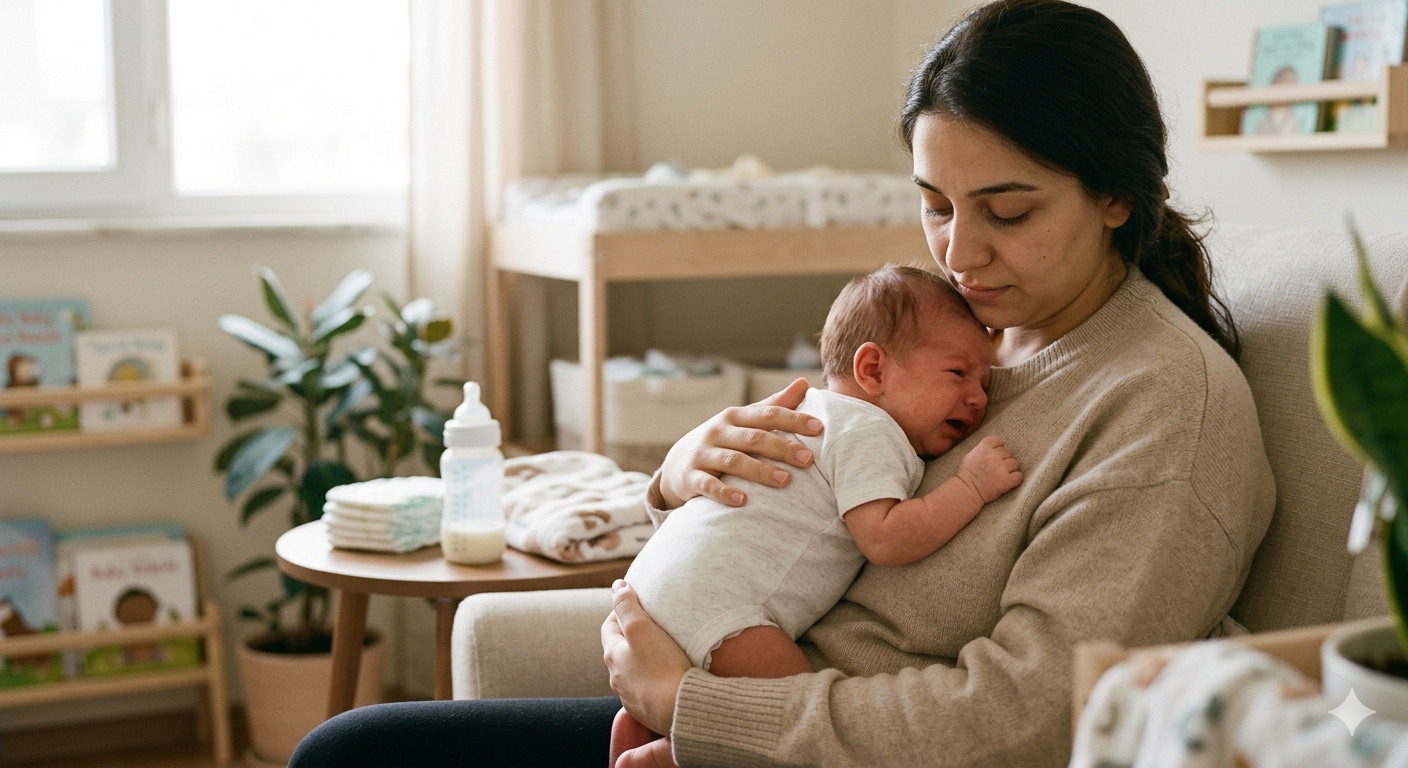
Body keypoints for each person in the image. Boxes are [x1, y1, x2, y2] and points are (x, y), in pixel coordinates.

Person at [290, 1, 1275, 765]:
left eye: (1006, 213)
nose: (960, 253)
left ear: (1115, 196)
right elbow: (807, 498)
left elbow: (1027, 721)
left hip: (787, 733)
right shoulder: (983, 332)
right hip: (749, 702)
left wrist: (694, 707)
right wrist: (679, 476)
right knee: (354, 750)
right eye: (934, 206)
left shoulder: (1161, 408)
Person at [611, 265, 1023, 768]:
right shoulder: (872, 432)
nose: (979, 397)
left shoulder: (816, 413)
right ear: (872, 370)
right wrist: (971, 487)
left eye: (985, 381)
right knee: (794, 709)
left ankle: (642, 731)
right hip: (721, 608)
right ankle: (673, 755)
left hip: (657, 586)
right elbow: (886, 539)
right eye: (958, 374)